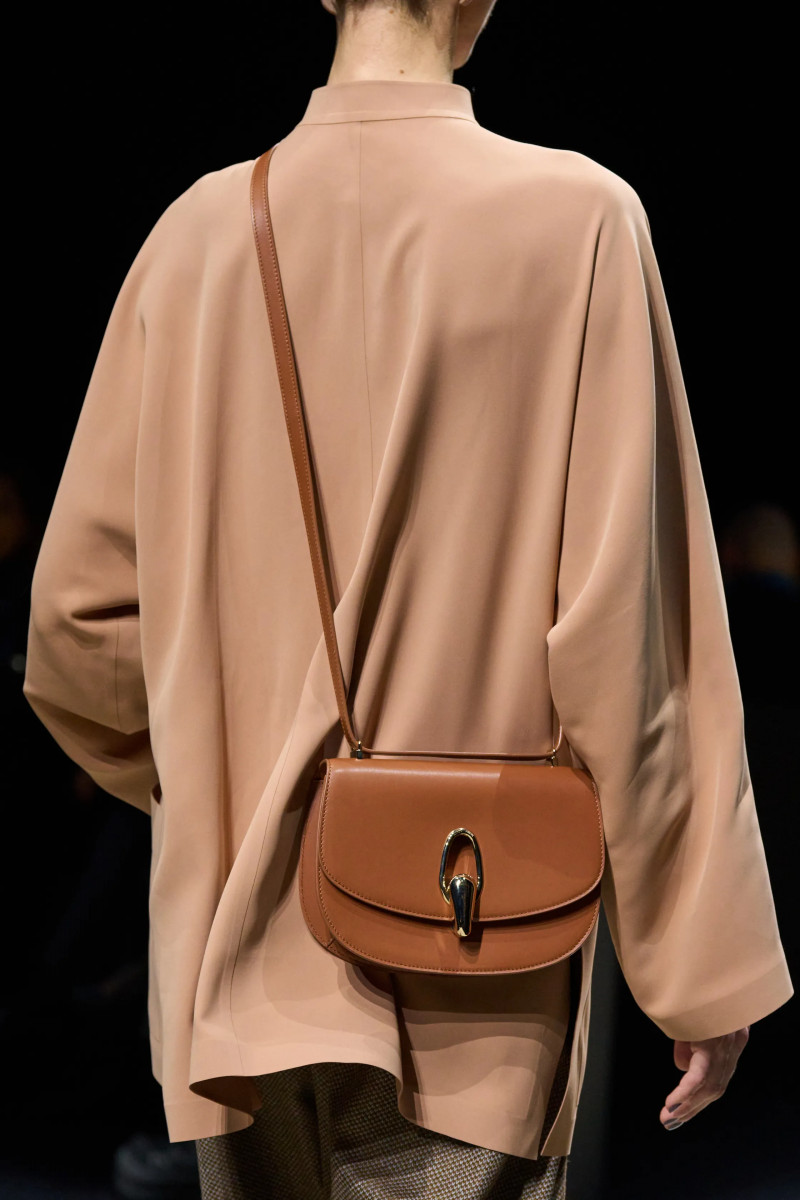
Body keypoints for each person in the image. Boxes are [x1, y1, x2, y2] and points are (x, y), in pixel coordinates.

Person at [22, 2, 793, 1198]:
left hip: (236, 976)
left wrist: (223, 790)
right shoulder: (579, 222)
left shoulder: (194, 238)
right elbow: (631, 652)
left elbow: (76, 629)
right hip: (478, 949)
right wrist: (697, 963)